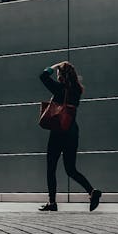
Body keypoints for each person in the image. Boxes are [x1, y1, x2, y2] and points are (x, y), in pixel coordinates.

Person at [38, 61, 102, 212]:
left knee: (51, 168)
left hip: (58, 131)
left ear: (61, 75)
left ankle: (52, 203)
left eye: (59, 73)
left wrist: (54, 66)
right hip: (72, 131)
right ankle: (92, 192)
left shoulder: (59, 89)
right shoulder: (77, 90)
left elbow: (43, 76)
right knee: (71, 169)